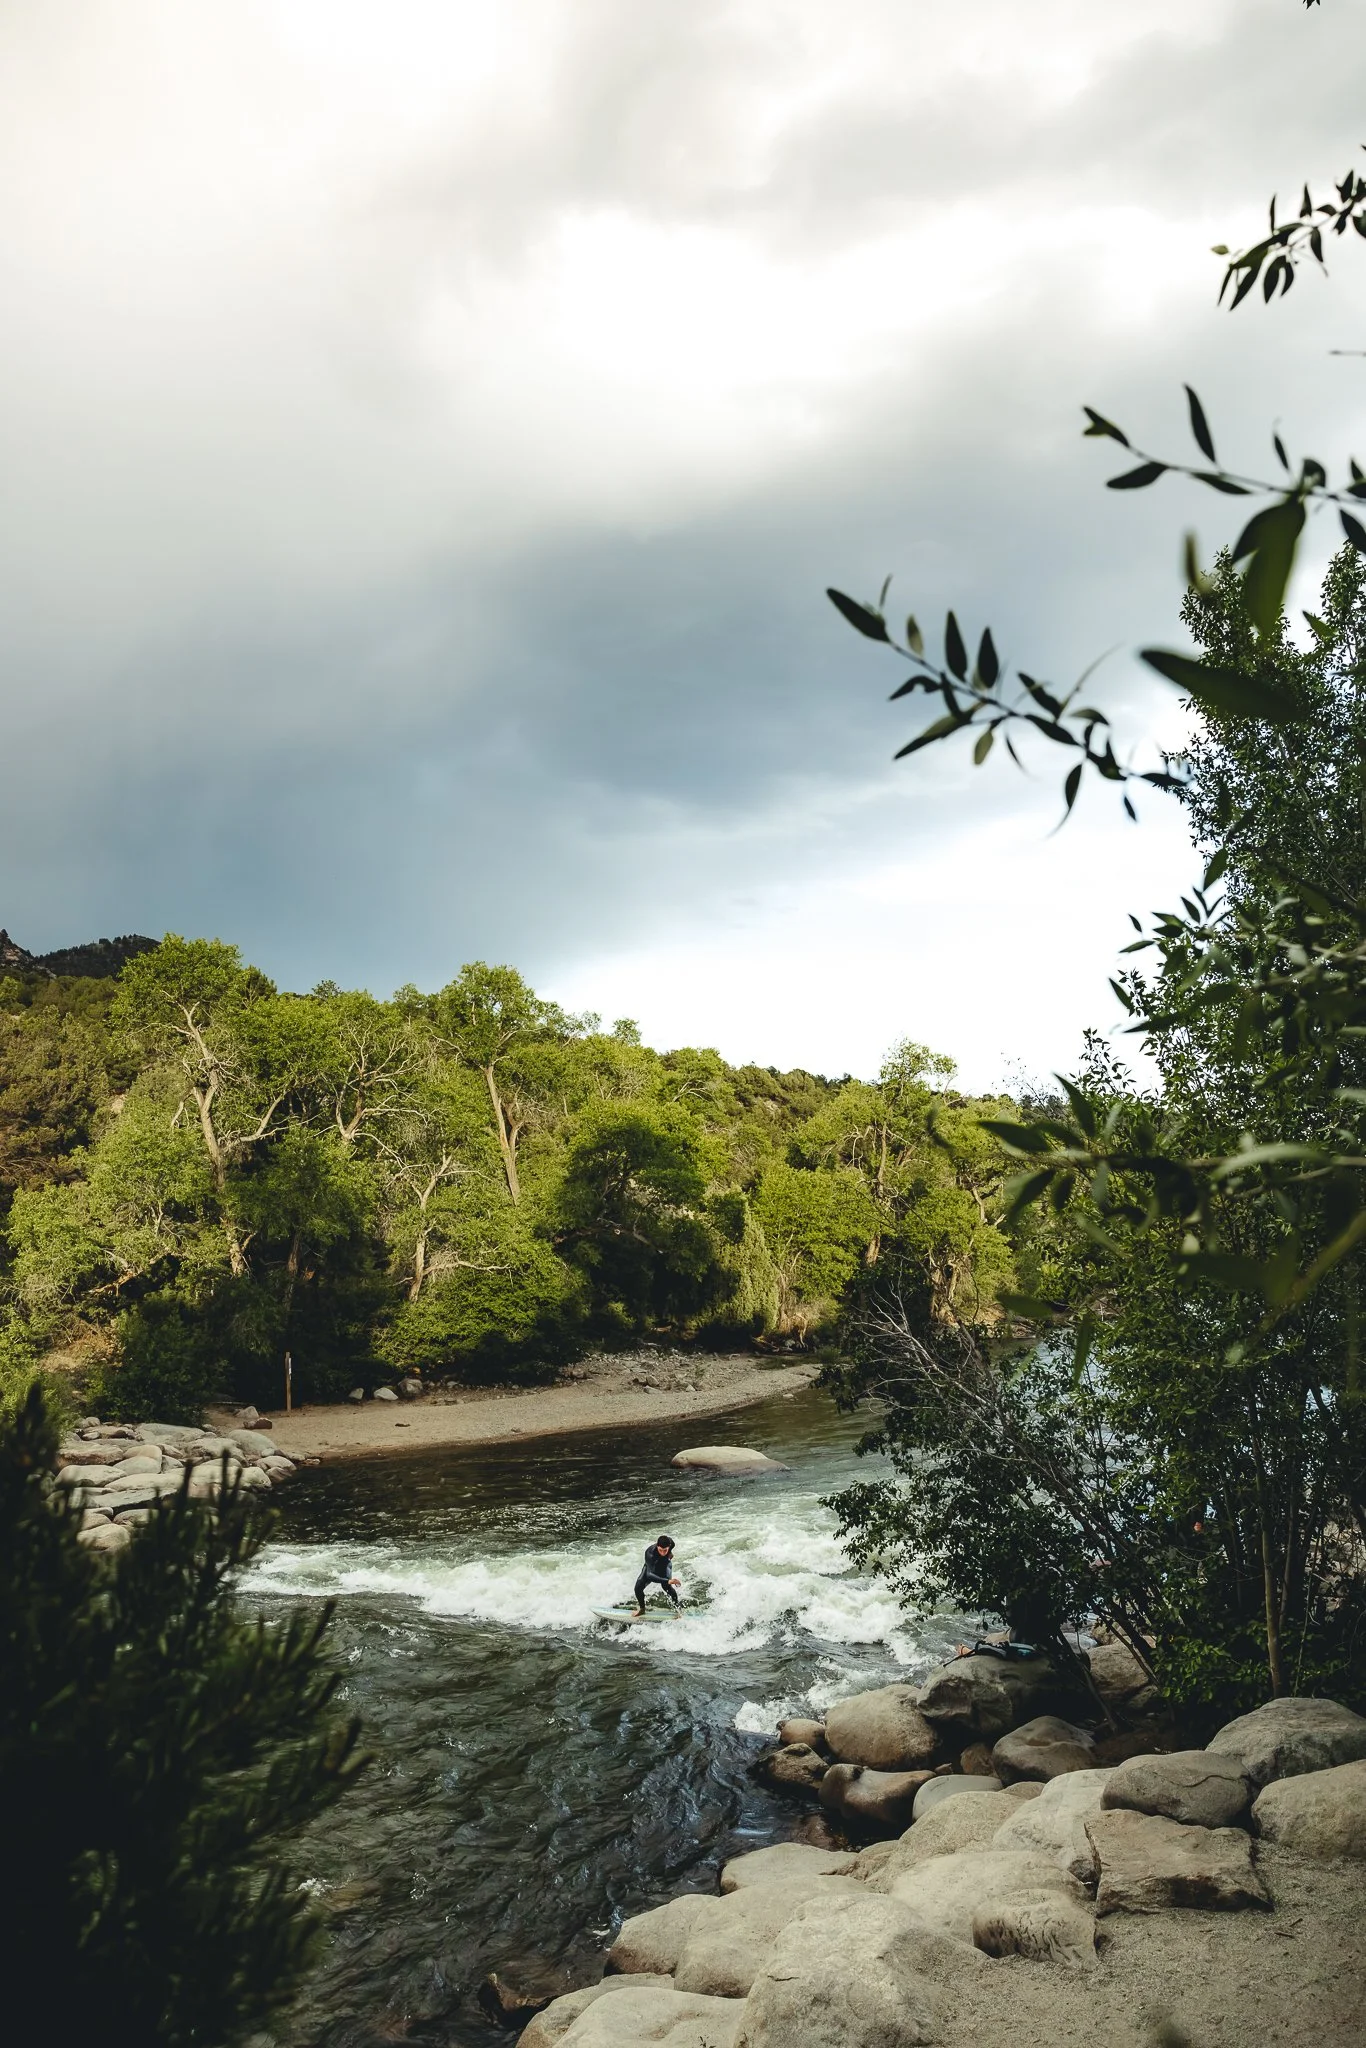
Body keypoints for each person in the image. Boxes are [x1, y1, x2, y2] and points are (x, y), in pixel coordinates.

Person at [633, 1535, 681, 1615]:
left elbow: (672, 1546)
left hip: (665, 1565)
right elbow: (649, 1575)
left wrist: (670, 1553)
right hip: (651, 1568)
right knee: (638, 1587)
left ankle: (678, 1610)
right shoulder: (650, 1553)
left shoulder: (671, 1543)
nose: (662, 1553)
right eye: (660, 1550)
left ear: (669, 1547)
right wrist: (668, 1580)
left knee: (666, 1587)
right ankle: (642, 1609)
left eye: (665, 1550)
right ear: (657, 1545)